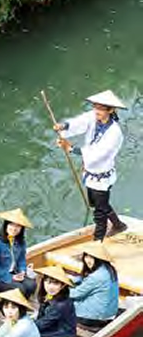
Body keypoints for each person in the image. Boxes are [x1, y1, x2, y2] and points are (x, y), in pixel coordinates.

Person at [54, 89, 128, 241]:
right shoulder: (93, 117)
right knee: (98, 204)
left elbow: (99, 154)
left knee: (99, 214)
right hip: (90, 172)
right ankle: (118, 225)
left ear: (110, 110)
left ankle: (97, 243)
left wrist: (70, 148)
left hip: (101, 175)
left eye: (101, 108)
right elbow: (80, 122)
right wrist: (64, 126)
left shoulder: (114, 133)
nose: (96, 111)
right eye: (95, 107)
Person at [0, 207, 37, 297]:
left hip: (13, 272)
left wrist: (22, 271)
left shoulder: (20, 241)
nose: (14, 228)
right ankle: (10, 303)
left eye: (18, 226)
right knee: (20, 289)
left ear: (22, 228)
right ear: (6, 225)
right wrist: (10, 277)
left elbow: (21, 259)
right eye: (11, 224)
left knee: (31, 285)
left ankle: (21, 304)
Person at [69, 241, 119, 327]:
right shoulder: (109, 269)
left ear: (99, 258)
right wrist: (71, 280)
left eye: (92, 257)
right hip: (109, 313)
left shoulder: (96, 276)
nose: (88, 260)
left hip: (95, 318)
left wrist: (61, 288)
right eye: (86, 256)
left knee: (62, 301)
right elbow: (84, 279)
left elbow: (75, 294)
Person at [33, 265, 77, 337]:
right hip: (52, 331)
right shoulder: (49, 296)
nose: (50, 287)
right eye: (47, 282)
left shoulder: (61, 305)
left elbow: (43, 323)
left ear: (62, 286)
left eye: (55, 283)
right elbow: (41, 318)